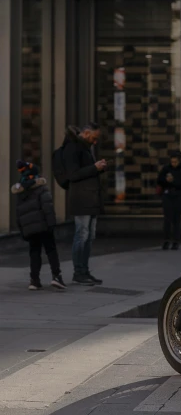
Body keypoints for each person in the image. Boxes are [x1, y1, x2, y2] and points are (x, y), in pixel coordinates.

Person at [62, 123, 106, 286]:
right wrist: (94, 167)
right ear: (86, 133)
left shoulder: (87, 147)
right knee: (82, 235)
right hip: (81, 199)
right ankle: (78, 272)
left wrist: (98, 168)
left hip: (91, 198)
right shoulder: (73, 147)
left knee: (89, 236)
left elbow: (87, 171)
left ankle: (85, 271)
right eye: (94, 138)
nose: (95, 142)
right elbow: (72, 174)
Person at [12, 161, 66, 291]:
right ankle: (56, 276)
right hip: (44, 226)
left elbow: (19, 213)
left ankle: (34, 280)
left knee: (34, 252)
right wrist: (52, 224)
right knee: (51, 250)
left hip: (30, 229)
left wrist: (22, 230)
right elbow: (48, 208)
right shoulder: (41, 188)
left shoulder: (20, 193)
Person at [157, 151, 181, 250]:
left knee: (176, 219)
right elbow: (159, 180)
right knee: (167, 219)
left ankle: (176, 241)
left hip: (179, 196)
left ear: (179, 161)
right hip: (168, 195)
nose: (173, 164)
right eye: (172, 162)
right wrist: (166, 180)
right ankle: (166, 240)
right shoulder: (166, 169)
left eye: (175, 162)